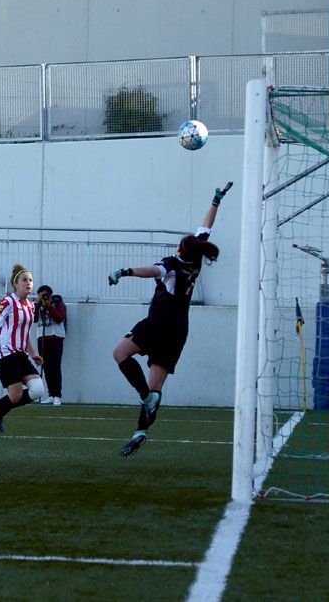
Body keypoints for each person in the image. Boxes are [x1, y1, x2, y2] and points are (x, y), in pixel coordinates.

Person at [108, 181, 232, 457]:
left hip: (157, 322)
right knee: (157, 385)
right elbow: (206, 228)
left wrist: (124, 271)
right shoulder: (196, 261)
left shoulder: (172, 264)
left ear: (179, 248)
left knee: (120, 354)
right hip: (178, 330)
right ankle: (141, 430)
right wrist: (216, 201)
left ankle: (144, 397)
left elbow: (152, 271)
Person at [0, 263, 45, 442]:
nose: (28, 283)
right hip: (5, 354)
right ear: (15, 284)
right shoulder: (8, 301)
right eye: (24, 280)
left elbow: (25, 333)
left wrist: (33, 353)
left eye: (30, 280)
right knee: (16, 395)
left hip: (20, 355)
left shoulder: (30, 306)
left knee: (37, 390)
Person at [34, 284, 67, 406]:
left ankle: (57, 395)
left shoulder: (58, 303)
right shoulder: (36, 305)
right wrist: (38, 304)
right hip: (42, 338)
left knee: (55, 367)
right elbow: (34, 319)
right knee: (46, 367)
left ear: (51, 295)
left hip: (55, 338)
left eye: (45, 295)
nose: (43, 297)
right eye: (41, 295)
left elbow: (59, 318)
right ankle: (51, 395)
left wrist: (49, 306)